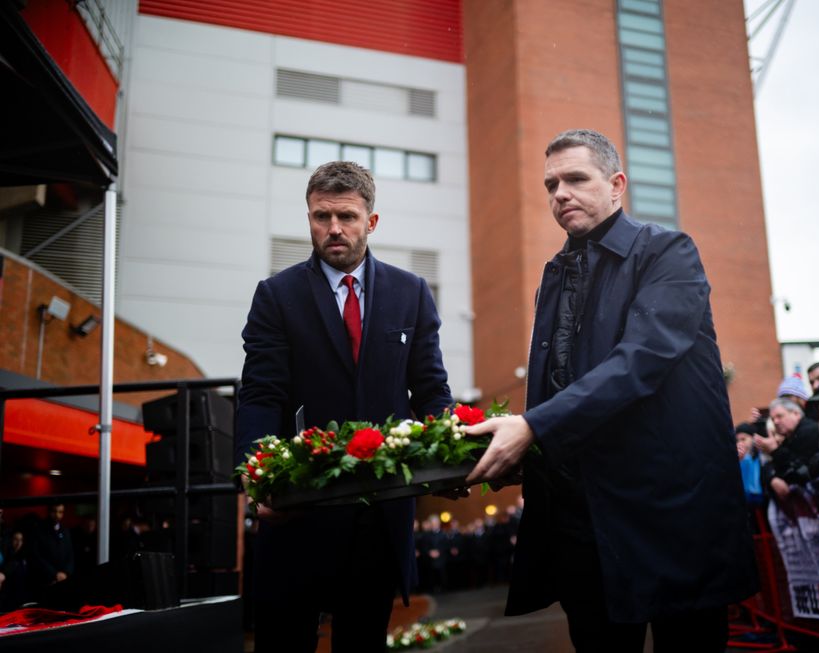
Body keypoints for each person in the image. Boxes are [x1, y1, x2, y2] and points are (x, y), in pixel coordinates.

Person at [464, 129, 757, 652]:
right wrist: (522, 453)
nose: (560, 194)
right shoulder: (553, 275)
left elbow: (639, 361)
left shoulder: (668, 251)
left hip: (669, 512)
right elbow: (555, 383)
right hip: (583, 521)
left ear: (617, 184)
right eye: (551, 184)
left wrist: (534, 428)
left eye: (576, 179)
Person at [236, 161, 453, 652]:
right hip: (295, 515)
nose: (334, 228)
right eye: (321, 216)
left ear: (370, 221)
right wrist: (255, 472)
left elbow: (432, 390)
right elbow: (261, 394)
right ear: (309, 218)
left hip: (378, 518)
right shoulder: (276, 295)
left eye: (347, 216)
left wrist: (454, 456)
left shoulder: (411, 293)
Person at [32, 504, 73, 588]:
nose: (57, 515)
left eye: (60, 512)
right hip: (45, 580)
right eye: (54, 511)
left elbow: (70, 555)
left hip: (64, 578)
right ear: (49, 512)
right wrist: (54, 574)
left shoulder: (65, 531)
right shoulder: (39, 530)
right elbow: (36, 556)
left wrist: (66, 573)